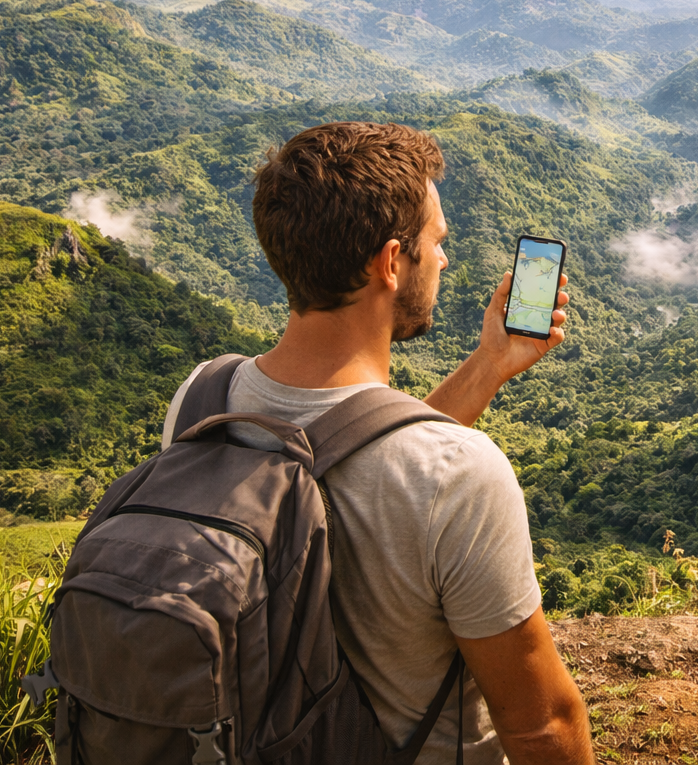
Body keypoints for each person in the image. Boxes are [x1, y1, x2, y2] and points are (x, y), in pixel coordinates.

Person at [160, 121, 593, 765]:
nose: (444, 258)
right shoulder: (461, 476)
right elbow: (542, 727)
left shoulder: (202, 402)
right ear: (392, 262)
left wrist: (489, 364)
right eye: (436, 242)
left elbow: (365, 448)